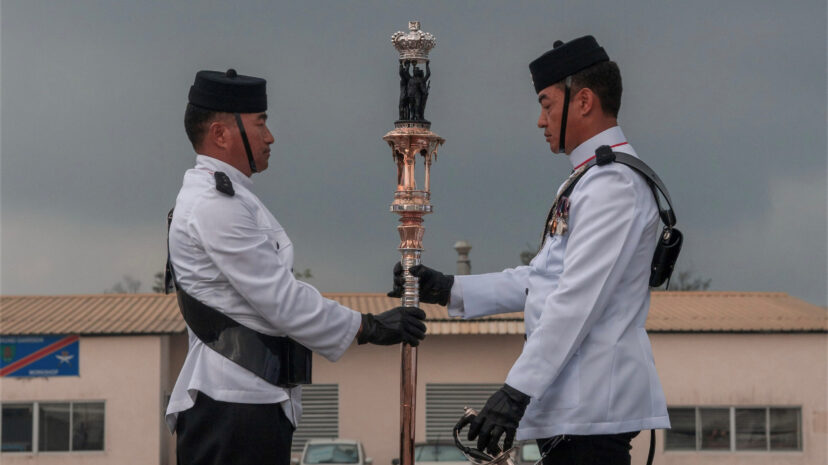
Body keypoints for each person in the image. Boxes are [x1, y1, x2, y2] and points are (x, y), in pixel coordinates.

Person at [390, 36, 670, 464]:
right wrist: (448, 288)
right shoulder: (589, 180)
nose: (541, 120)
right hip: (572, 409)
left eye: (547, 104)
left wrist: (516, 391)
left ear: (584, 101)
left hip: (592, 406)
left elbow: (575, 299)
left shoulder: (614, 186)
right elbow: (541, 281)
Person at [166, 69, 427, 465]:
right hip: (234, 407)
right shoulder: (214, 205)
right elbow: (281, 300)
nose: (270, 137)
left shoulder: (229, 197)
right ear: (221, 134)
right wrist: (367, 326)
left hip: (247, 400)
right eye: (261, 124)